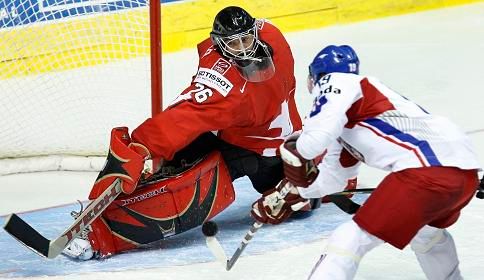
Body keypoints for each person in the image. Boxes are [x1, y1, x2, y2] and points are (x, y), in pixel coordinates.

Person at [62, 6, 305, 260]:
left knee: (190, 186)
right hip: (273, 140)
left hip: (258, 152)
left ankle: (102, 236)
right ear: (219, 43)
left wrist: (141, 145)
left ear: (253, 32)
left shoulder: (229, 90)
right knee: (181, 153)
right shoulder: (271, 34)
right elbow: (194, 111)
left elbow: (187, 114)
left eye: (245, 39)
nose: (244, 48)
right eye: (234, 43)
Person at [251, 45, 481, 279]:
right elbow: (333, 180)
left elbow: (312, 144)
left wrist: (294, 148)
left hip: (424, 172)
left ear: (317, 75)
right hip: (465, 173)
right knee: (427, 235)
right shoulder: (356, 115)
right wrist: (291, 194)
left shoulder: (337, 82)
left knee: (348, 240)